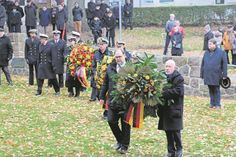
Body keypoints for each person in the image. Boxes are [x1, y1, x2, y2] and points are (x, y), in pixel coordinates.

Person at [99, 48, 131, 154]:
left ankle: (124, 146)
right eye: (116, 57)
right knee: (111, 121)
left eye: (119, 56)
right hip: (113, 100)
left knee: (125, 124)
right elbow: (105, 83)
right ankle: (120, 140)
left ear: (124, 55)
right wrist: (102, 96)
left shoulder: (131, 68)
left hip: (126, 102)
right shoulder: (110, 67)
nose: (118, 59)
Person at [158, 59, 184, 157]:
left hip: (175, 109)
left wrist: (163, 93)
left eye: (169, 66)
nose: (167, 68)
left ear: (174, 67)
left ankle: (179, 149)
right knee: (167, 130)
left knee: (175, 131)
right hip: (164, 109)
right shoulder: (162, 78)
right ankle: (170, 151)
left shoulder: (179, 78)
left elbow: (178, 92)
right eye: (166, 66)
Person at [200, 38, 228, 109]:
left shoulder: (221, 52)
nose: (208, 45)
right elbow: (203, 63)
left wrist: (225, 75)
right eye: (208, 44)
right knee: (210, 89)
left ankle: (217, 104)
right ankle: (212, 103)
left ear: (215, 45)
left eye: (210, 44)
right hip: (208, 74)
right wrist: (202, 73)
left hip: (217, 75)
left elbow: (224, 64)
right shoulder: (206, 52)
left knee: (216, 89)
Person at [90, 37, 112, 102]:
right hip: (97, 73)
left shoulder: (110, 54)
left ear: (106, 45)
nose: (101, 46)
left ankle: (102, 97)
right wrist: (95, 72)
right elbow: (93, 65)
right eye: (99, 44)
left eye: (102, 44)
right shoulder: (96, 53)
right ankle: (93, 97)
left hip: (105, 73)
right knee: (95, 81)